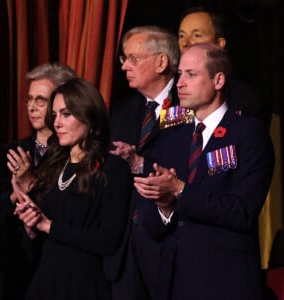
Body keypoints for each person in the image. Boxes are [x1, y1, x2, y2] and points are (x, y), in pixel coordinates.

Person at [134, 43, 275, 299]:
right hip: (174, 282)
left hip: (224, 280)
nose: (179, 84)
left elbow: (242, 212)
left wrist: (179, 191)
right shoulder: (171, 139)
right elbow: (152, 229)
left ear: (218, 79)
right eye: (179, 75)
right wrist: (164, 206)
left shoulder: (248, 133)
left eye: (191, 74)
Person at [12, 77, 132, 300]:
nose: (56, 123)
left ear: (88, 116)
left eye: (66, 114)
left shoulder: (112, 168)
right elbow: (38, 244)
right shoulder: (53, 164)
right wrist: (32, 227)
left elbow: (108, 240)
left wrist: (48, 225)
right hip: (44, 283)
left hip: (83, 284)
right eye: (55, 115)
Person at [107, 25, 182, 299]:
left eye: (133, 59)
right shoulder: (122, 110)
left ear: (161, 62)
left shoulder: (189, 104)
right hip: (124, 247)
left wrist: (140, 162)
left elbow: (184, 166)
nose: (125, 66)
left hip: (169, 242)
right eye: (123, 59)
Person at [0, 62, 78, 300]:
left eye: (41, 100)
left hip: (53, 266)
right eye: (29, 99)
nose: (32, 107)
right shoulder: (10, 152)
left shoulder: (75, 154)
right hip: (10, 271)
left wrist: (33, 186)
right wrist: (15, 194)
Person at [177, 6, 271, 127]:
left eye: (197, 35)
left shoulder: (245, 100)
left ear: (219, 43)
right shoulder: (172, 92)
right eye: (181, 36)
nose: (185, 42)